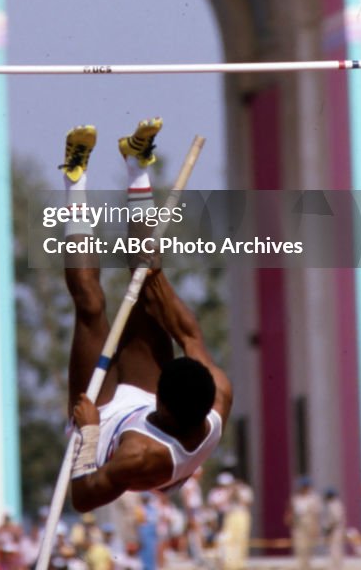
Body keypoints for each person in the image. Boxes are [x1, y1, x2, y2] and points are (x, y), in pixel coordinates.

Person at [60, 118, 233, 512]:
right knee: (143, 284)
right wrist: (156, 280)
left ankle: (76, 177)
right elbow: (188, 334)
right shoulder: (217, 392)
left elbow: (83, 497)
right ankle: (136, 163)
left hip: (102, 422)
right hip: (143, 409)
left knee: (90, 305)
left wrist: (88, 430)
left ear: (165, 406)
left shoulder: (139, 457)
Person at [285, 477, 321, 570]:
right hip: (298, 526)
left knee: (308, 548)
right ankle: (301, 567)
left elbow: (316, 515)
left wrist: (316, 528)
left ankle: (307, 566)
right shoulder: (296, 498)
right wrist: (289, 518)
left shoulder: (313, 498)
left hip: (309, 524)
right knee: (300, 548)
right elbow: (291, 510)